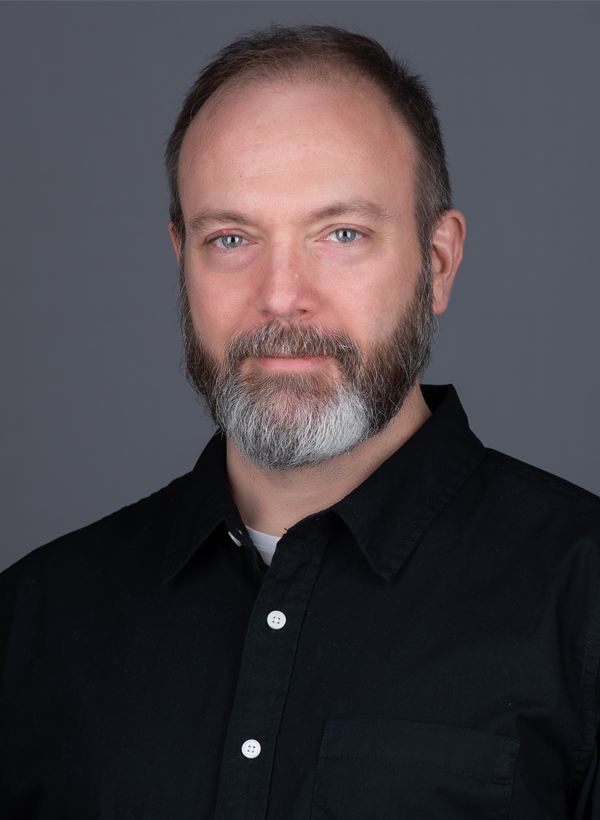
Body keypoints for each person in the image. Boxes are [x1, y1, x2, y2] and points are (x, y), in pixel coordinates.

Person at [1, 23, 599, 820]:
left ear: (438, 262)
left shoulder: (584, 600)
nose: (281, 296)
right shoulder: (34, 619)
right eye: (232, 238)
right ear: (180, 258)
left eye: (341, 234)